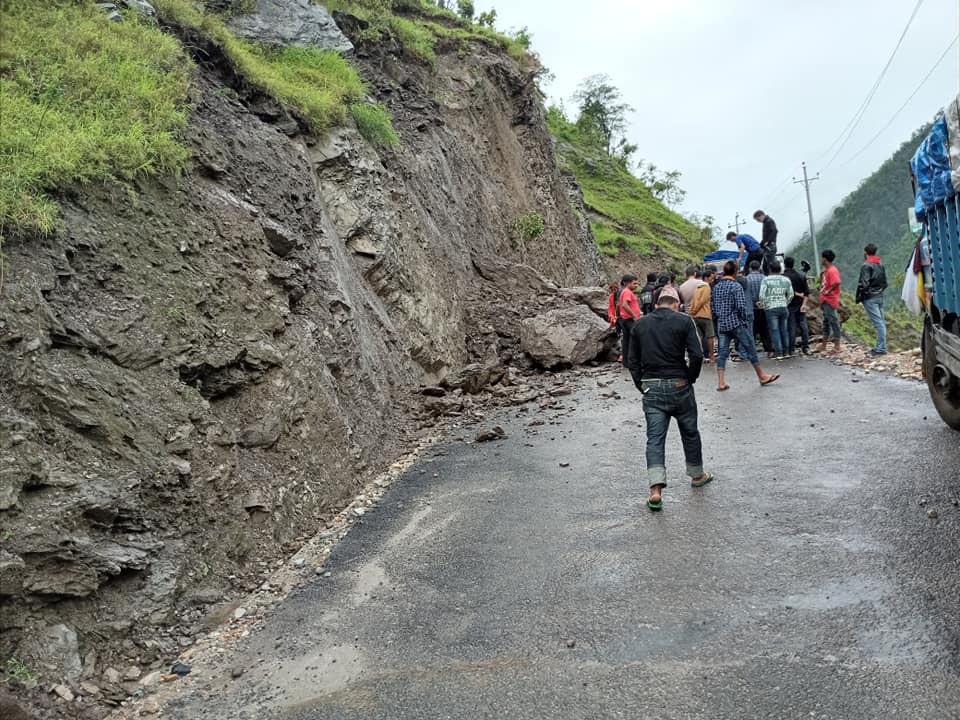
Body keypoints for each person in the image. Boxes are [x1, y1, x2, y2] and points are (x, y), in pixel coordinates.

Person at [625, 286, 713, 511]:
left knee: (655, 438)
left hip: (651, 389)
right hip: (679, 385)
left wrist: (641, 385)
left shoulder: (640, 324)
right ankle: (696, 475)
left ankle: (655, 490)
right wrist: (690, 378)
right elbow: (696, 355)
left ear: (656, 304)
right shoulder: (684, 321)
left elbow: (631, 360)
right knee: (690, 431)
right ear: (675, 304)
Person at [711, 261, 780, 391]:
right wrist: (743, 321)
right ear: (736, 272)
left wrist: (721, 317)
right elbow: (741, 306)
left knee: (722, 353)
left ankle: (721, 382)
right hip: (736, 323)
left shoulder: (716, 288)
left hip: (722, 324)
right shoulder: (736, 286)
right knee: (750, 348)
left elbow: (713, 308)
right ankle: (761, 376)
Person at [857, 243, 888, 355]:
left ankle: (881, 349)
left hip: (870, 298)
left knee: (878, 323)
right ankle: (882, 346)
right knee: (881, 322)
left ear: (865, 252)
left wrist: (861, 296)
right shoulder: (880, 264)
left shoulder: (866, 265)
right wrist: (879, 291)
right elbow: (885, 283)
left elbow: (864, 284)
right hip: (880, 296)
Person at [759, 260, 793, 359]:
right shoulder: (786, 280)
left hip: (771, 308)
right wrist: (785, 303)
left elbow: (761, 295)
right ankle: (786, 352)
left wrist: (766, 305)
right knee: (784, 330)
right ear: (780, 269)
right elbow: (791, 294)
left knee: (775, 331)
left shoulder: (766, 280)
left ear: (770, 269)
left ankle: (779, 353)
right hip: (783, 307)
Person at [745, 260, 774, 357]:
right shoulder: (765, 278)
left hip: (752, 308)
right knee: (765, 329)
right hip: (765, 307)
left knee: (752, 330)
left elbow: (747, 295)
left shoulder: (747, 279)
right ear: (759, 268)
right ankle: (770, 350)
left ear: (750, 268)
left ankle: (752, 352)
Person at [782, 256, 810, 355]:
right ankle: (805, 347)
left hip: (789, 305)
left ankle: (791, 349)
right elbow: (807, 292)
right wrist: (804, 304)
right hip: (800, 304)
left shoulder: (783, 277)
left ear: (784, 264)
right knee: (803, 325)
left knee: (792, 327)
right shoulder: (801, 276)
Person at [817, 250, 842, 356]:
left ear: (825, 259)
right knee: (826, 322)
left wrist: (828, 291)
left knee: (833, 321)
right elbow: (822, 283)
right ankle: (824, 344)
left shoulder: (832, 270)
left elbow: (837, 282)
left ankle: (837, 346)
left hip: (829, 300)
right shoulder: (827, 271)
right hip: (825, 300)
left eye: (822, 258)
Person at [689, 267, 716, 362]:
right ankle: (712, 357)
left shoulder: (697, 288)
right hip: (705, 314)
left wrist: (692, 313)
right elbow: (702, 301)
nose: (712, 280)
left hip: (695, 316)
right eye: (711, 278)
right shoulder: (706, 287)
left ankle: (699, 356)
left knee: (699, 337)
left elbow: (693, 301)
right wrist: (695, 310)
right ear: (706, 278)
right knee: (710, 337)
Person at [618, 274, 642, 367]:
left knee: (627, 341)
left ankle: (627, 362)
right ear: (627, 283)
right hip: (630, 320)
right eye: (634, 283)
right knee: (634, 340)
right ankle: (634, 361)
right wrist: (634, 316)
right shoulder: (627, 292)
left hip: (625, 319)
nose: (636, 285)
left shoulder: (624, 291)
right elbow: (624, 305)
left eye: (637, 284)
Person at [753, 210, 778, 274]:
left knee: (771, 264)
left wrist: (768, 241)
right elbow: (765, 237)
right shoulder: (765, 222)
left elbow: (774, 231)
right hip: (767, 246)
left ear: (761, 215)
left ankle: (774, 277)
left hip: (770, 246)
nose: (758, 221)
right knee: (765, 266)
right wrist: (760, 244)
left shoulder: (769, 221)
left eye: (758, 219)